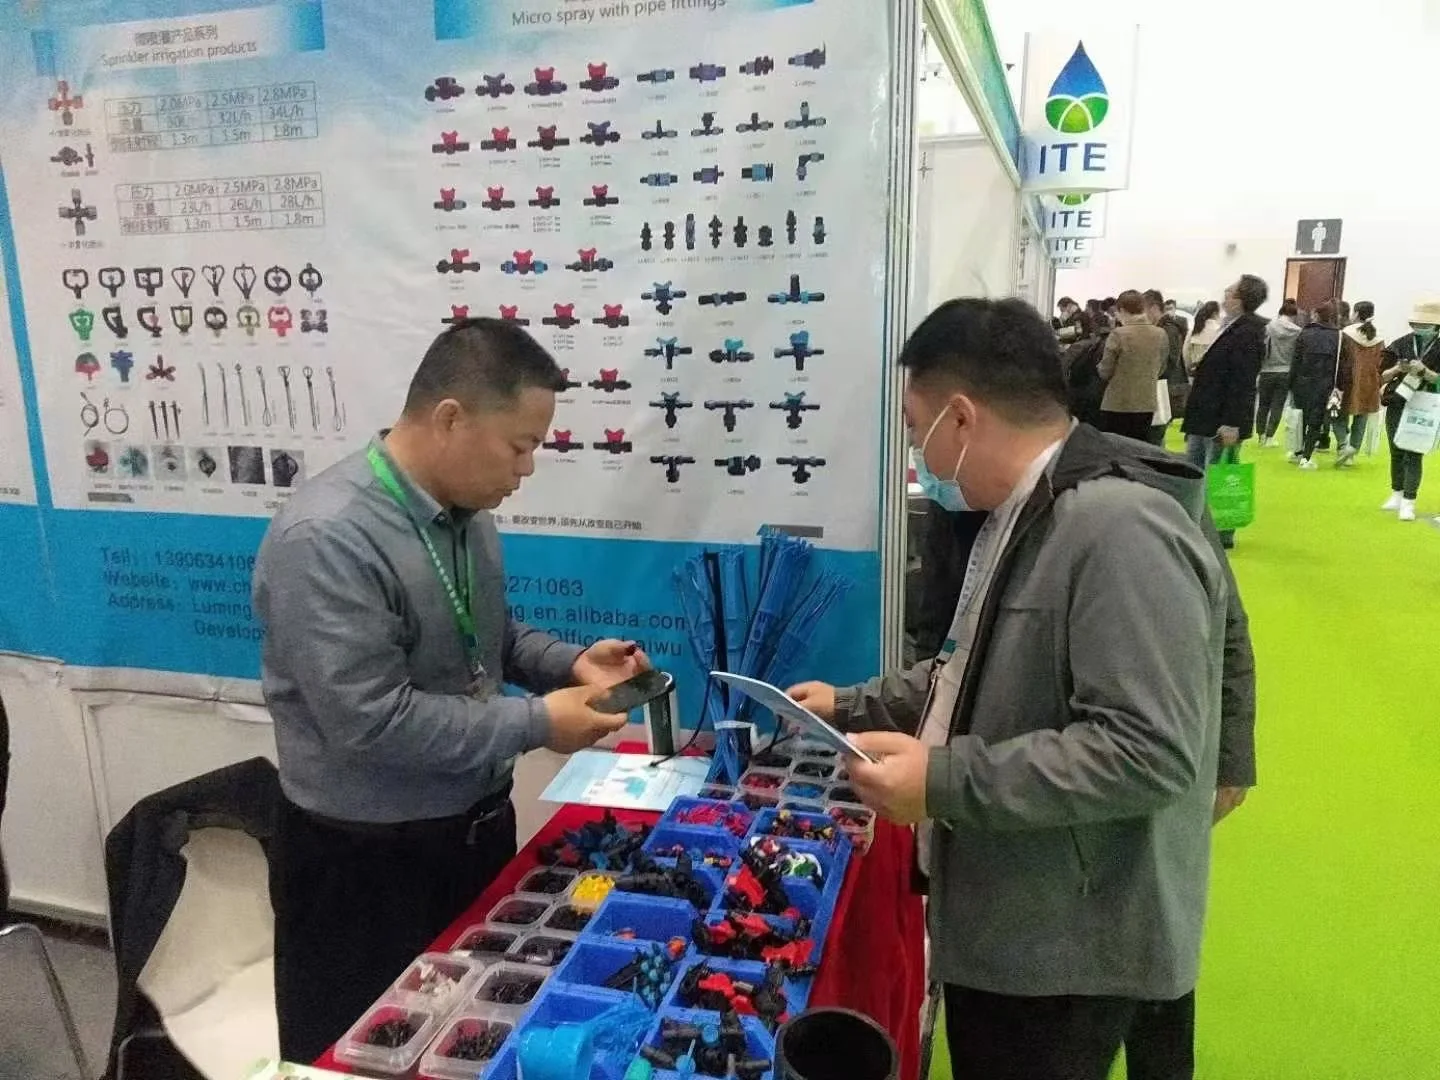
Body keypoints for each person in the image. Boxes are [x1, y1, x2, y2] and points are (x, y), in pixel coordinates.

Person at [790, 297, 1229, 1080]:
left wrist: (943, 780)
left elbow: (1151, 751)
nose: (916, 451)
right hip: (1013, 910)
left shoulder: (1117, 529)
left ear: (960, 417)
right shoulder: (1025, 511)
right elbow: (970, 666)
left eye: (915, 427)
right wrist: (850, 704)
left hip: (1065, 948)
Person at [253, 318, 647, 1060]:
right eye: (519, 446)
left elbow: (487, 638)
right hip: (366, 869)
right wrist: (539, 722)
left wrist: (571, 665)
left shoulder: (465, 516)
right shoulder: (328, 538)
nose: (527, 468)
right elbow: (372, 722)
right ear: (450, 418)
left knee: (474, 1044)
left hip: (472, 838)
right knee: (363, 1057)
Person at [1182, 275, 1270, 546]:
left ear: (1241, 299)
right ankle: (1199, 525)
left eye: (1230, 292)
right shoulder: (1232, 327)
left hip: (1221, 418)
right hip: (1206, 414)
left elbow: (1242, 382)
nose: (1225, 295)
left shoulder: (1248, 332)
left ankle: (1220, 530)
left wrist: (1232, 422)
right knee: (1197, 472)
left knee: (1220, 475)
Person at [1379, 300, 1440, 521]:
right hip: (1398, 400)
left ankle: (1409, 501)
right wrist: (1397, 368)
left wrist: (1424, 372)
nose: (1420, 328)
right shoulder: (1400, 344)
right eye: (1416, 324)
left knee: (1413, 451)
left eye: (1425, 325)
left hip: (1426, 403)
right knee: (1396, 448)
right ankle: (1396, 492)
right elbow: (1381, 376)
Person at [1098, 290, 1169, 441]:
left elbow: (1105, 370)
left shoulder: (1118, 334)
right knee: (1139, 446)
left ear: (1122, 310)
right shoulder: (1160, 334)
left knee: (1115, 446)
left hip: (1117, 403)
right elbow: (1162, 367)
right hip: (1146, 402)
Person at [1288, 302, 1342, 470]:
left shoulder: (1305, 333)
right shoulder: (1338, 336)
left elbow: (1296, 360)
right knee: (1317, 420)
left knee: (1301, 417)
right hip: (1326, 384)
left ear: (1316, 315)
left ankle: (1298, 451)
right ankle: (1307, 456)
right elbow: (1341, 364)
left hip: (1302, 382)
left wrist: (1290, 383)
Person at [1333, 301, 1385, 465]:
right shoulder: (1378, 337)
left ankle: (1343, 445)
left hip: (1346, 380)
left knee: (1336, 413)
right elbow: (1382, 363)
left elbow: (1339, 359)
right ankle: (1353, 449)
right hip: (1370, 382)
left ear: (1355, 313)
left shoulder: (1345, 334)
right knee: (1362, 416)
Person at [1145, 289, 1189, 445]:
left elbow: (1171, 359)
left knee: (1156, 434)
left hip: (1165, 386)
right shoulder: (1164, 327)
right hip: (1164, 384)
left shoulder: (1168, 329)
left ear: (1153, 308)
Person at [1257, 300, 1302, 446]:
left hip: (1266, 370)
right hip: (1285, 371)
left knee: (1263, 404)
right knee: (1277, 405)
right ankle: (1270, 437)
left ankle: (1260, 435)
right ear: (1294, 315)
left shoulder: (1268, 327)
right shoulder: (1297, 331)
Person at [1185, 301, 1224, 374]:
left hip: (1195, 370)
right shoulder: (1220, 331)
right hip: (1214, 371)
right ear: (1215, 313)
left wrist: (1188, 367)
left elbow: (1186, 352)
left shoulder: (1194, 330)